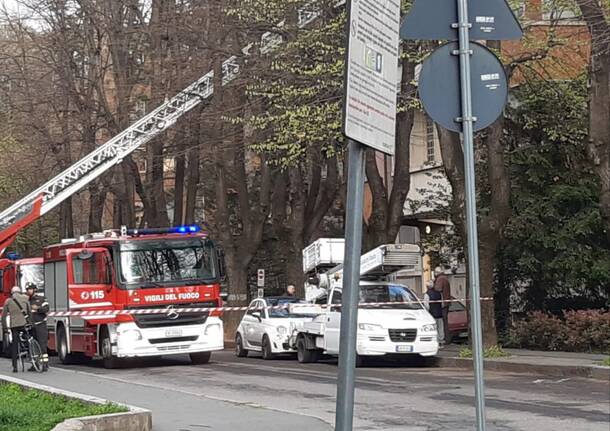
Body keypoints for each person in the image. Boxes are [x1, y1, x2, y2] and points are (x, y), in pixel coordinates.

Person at [1, 286, 31, 372]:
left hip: (14, 326)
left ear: (12, 293)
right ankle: (31, 355)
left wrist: (5, 329)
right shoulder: (26, 298)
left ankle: (15, 367)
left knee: (15, 344)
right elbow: (29, 312)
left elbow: (3, 316)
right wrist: (30, 323)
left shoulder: (8, 301)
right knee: (28, 339)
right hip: (24, 324)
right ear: (20, 292)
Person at [26, 282, 49, 371]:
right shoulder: (27, 300)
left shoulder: (41, 299)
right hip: (31, 326)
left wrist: (38, 309)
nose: (28, 291)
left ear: (34, 289)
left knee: (42, 345)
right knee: (32, 346)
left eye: (30, 289)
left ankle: (44, 364)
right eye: (27, 290)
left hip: (41, 325)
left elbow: (46, 308)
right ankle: (34, 364)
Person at [434, 267, 452, 344]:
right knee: (444, 321)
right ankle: (446, 338)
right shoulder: (445, 278)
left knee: (441, 322)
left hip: (442, 304)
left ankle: (443, 339)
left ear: (437, 272)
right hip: (446, 302)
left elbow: (438, 289)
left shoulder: (440, 279)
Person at [423, 280, 444, 346]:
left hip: (432, 314)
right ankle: (441, 341)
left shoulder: (427, 294)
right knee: (440, 328)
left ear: (427, 286)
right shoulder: (439, 293)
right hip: (440, 314)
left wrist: (427, 312)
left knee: (434, 328)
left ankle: (436, 342)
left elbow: (426, 305)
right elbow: (442, 304)